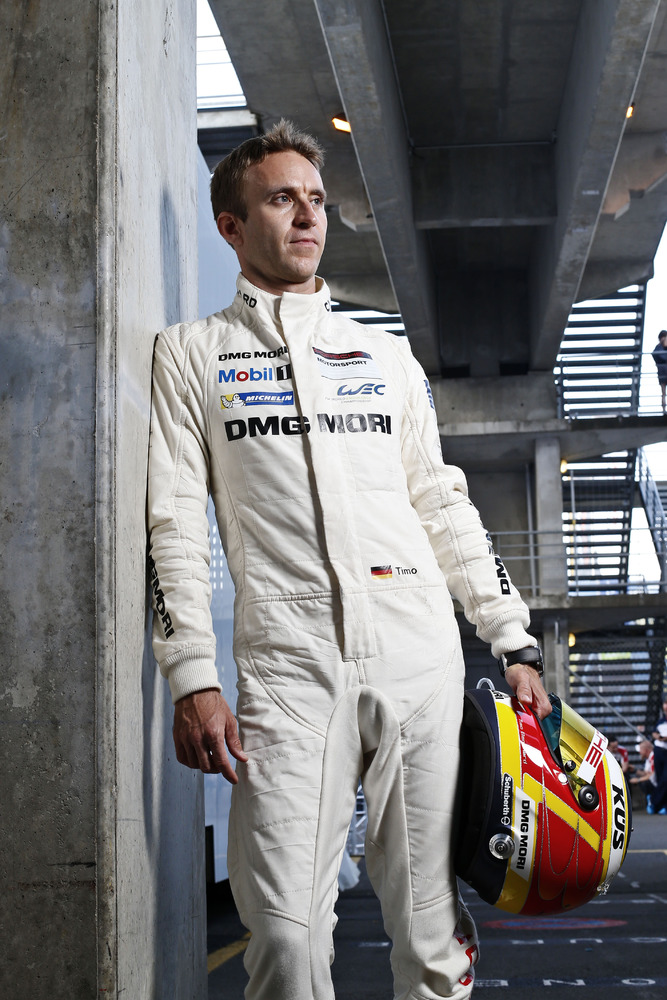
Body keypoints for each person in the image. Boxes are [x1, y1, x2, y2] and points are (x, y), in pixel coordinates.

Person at [147, 120, 551, 1000]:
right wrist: (191, 676)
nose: (307, 217)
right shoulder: (189, 355)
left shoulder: (384, 354)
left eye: (316, 201)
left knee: (431, 935)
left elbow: (442, 501)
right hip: (287, 665)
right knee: (284, 936)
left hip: (418, 651)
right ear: (231, 226)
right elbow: (171, 523)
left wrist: (511, 638)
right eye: (281, 199)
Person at [630, 739, 658, 813]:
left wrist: (638, 780)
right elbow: (646, 774)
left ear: (645, 750)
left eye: (640, 750)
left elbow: (652, 775)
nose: (639, 752)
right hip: (654, 782)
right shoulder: (648, 759)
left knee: (643, 782)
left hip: (657, 784)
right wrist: (635, 770)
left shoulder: (654, 757)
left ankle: (652, 800)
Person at [650, 697, 667, 815]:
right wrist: (657, 736)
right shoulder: (661, 721)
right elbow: (654, 732)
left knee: (665, 779)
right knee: (660, 777)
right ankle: (661, 805)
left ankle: (654, 801)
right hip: (659, 750)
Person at [652, 329, 667, 413]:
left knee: (663, 393)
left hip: (662, 372)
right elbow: (657, 356)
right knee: (663, 393)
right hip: (662, 373)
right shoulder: (658, 348)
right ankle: (664, 410)